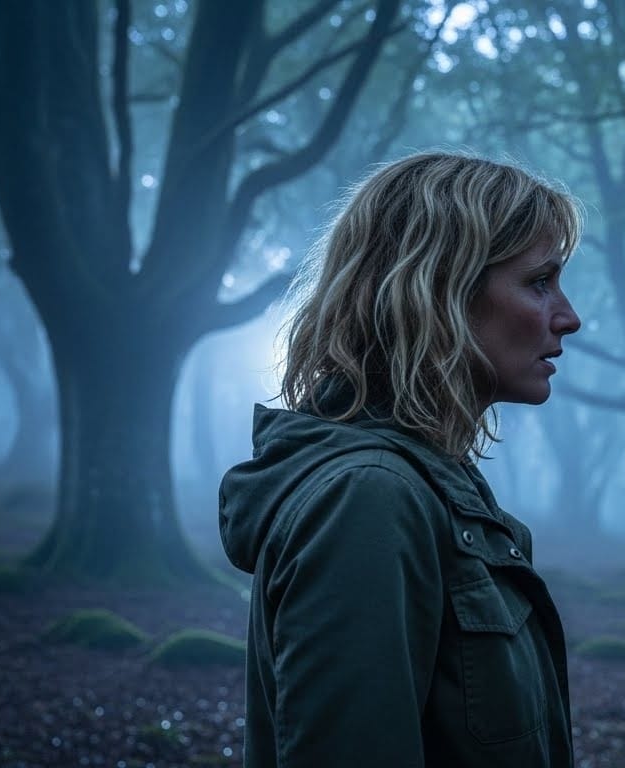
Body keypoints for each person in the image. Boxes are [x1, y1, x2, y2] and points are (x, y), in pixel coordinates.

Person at [219, 152, 582, 767]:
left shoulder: (427, 484)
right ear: (439, 292)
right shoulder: (367, 498)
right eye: (539, 282)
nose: (569, 318)